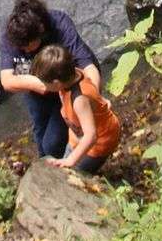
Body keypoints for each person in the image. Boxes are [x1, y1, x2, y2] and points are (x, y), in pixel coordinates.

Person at [0, 0, 101, 159]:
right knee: (40, 129)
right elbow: (7, 81)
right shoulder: (13, 33)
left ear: (40, 31)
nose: (23, 50)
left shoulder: (59, 25)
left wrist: (93, 97)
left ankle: (68, 162)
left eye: (27, 46)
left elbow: (87, 64)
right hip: (36, 84)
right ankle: (45, 165)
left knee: (52, 144)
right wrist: (41, 84)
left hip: (66, 84)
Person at [30, 43, 120, 174]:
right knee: (64, 167)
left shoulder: (79, 100)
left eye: (44, 83)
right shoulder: (71, 74)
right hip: (77, 133)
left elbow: (91, 136)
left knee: (76, 174)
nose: (42, 86)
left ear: (56, 83)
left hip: (99, 142)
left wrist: (71, 160)